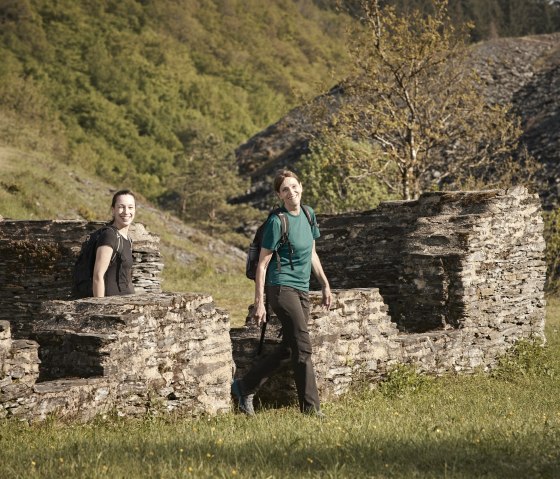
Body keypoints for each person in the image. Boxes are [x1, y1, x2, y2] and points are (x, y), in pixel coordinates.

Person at [232, 169, 332, 417]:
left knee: (290, 347)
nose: (291, 192)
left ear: (301, 187)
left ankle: (244, 387)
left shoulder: (308, 214)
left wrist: (325, 284)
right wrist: (260, 302)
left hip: (302, 288)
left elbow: (311, 253)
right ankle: (311, 409)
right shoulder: (278, 222)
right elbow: (262, 265)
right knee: (304, 347)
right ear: (279, 195)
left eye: (294, 186)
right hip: (281, 289)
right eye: (285, 189)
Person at [92, 189, 136, 297]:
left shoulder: (127, 238)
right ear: (113, 210)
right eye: (121, 207)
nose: (126, 212)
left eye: (130, 207)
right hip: (111, 307)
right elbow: (98, 276)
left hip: (125, 304)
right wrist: (100, 308)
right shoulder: (109, 236)